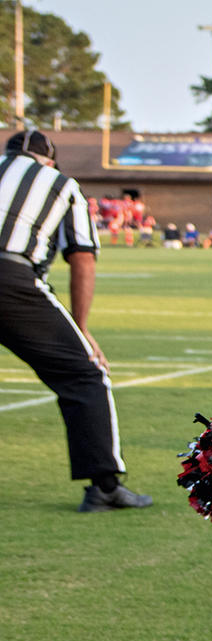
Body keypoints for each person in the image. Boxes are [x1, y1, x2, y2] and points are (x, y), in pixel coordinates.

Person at [0, 129, 144, 512]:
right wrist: (81, 327)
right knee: (85, 374)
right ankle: (105, 486)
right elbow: (82, 257)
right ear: (48, 161)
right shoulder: (61, 183)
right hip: (10, 279)